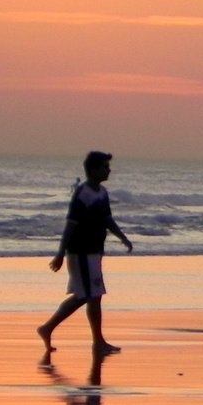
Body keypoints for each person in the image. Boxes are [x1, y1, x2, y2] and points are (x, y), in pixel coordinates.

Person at [38, 151, 133, 356]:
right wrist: (60, 254)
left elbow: (107, 219)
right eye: (104, 167)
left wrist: (122, 237)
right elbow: (70, 225)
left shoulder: (102, 193)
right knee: (88, 295)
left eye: (108, 167)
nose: (108, 170)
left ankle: (92, 340)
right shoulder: (83, 194)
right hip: (80, 251)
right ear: (93, 170)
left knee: (91, 296)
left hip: (94, 251)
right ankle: (54, 330)